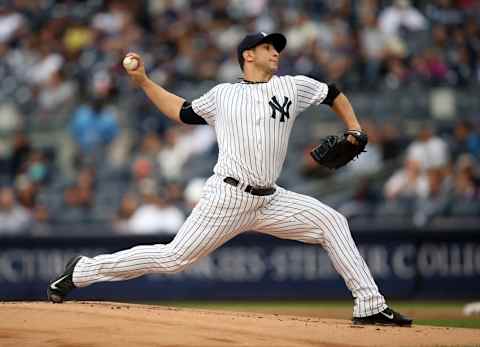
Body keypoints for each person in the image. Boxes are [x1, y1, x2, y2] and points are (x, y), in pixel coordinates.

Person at [47, 32, 412, 326]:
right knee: (174, 258)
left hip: (271, 199)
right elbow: (181, 110)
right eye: (268, 47)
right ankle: (84, 269)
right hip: (228, 197)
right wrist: (143, 81)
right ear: (247, 55)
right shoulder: (223, 94)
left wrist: (354, 128)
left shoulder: (292, 86)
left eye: (276, 48)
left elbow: (333, 93)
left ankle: (369, 304)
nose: (276, 53)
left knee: (333, 222)